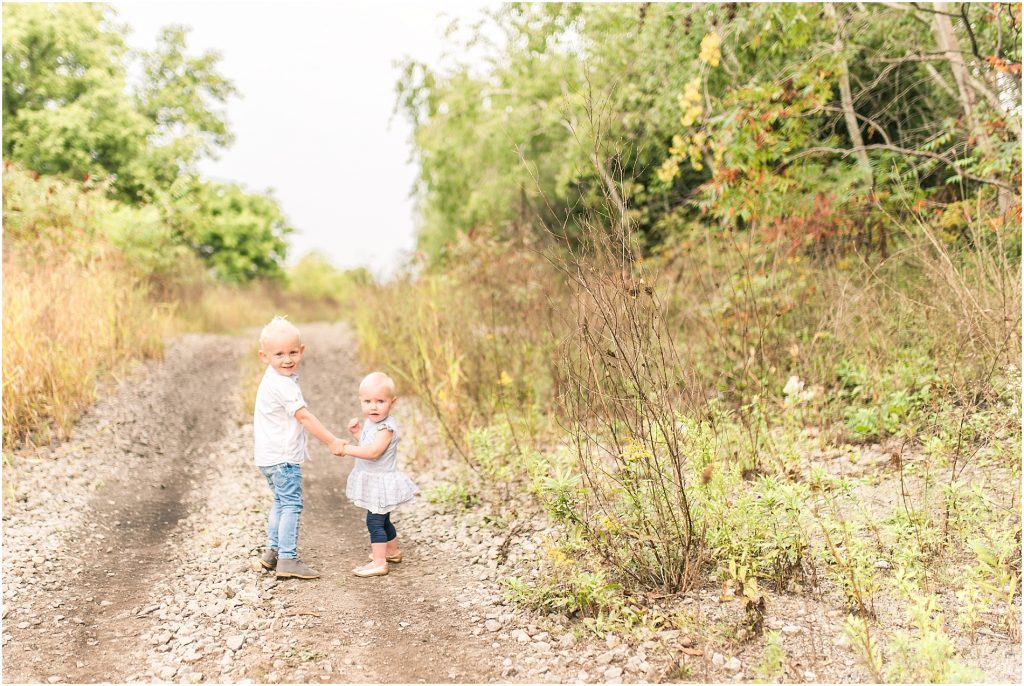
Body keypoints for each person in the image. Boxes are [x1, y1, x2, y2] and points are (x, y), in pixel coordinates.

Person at [253, 316, 347, 580]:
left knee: (280, 502)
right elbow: (304, 417)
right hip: (282, 459)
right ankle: (288, 558)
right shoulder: (283, 384)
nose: (287, 359)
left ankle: (272, 552)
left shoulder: (273, 376)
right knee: (291, 504)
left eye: (293, 352)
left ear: (302, 350)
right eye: (279, 354)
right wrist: (331, 440)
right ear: (264, 356)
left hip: (267, 457)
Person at [333, 371, 418, 577]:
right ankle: (392, 552)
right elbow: (368, 443)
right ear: (360, 401)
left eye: (380, 401)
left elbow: (373, 452)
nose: (373, 406)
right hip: (375, 482)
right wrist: (357, 433)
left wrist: (347, 449)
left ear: (392, 402)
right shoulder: (374, 422)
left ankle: (379, 562)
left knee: (375, 522)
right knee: (384, 520)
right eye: (368, 401)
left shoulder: (386, 428)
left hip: (380, 484)